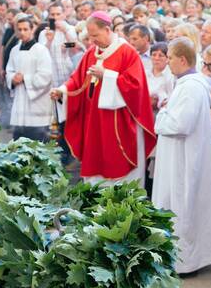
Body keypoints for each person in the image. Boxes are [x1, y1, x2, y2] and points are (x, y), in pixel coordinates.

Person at [151, 37, 211, 275]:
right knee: (178, 207)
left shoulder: (192, 87)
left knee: (183, 209)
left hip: (185, 163)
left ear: (182, 59)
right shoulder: (188, 84)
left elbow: (180, 124)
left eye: (171, 58)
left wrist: (161, 116)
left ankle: (185, 263)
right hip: (179, 158)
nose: (167, 63)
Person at [50, 11, 156, 184]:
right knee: (95, 171)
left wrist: (106, 75)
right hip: (94, 121)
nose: (92, 41)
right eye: (90, 36)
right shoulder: (92, 52)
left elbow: (135, 87)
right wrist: (62, 90)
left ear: (107, 30)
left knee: (118, 172)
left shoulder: (127, 53)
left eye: (95, 35)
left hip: (118, 122)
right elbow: (77, 79)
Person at [5, 13, 54, 141]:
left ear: (32, 29)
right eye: (19, 29)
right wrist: (12, 78)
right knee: (19, 141)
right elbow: (9, 70)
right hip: (20, 99)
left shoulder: (41, 50)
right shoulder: (14, 50)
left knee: (37, 140)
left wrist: (25, 78)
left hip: (36, 103)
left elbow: (46, 75)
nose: (22, 32)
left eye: (25, 29)